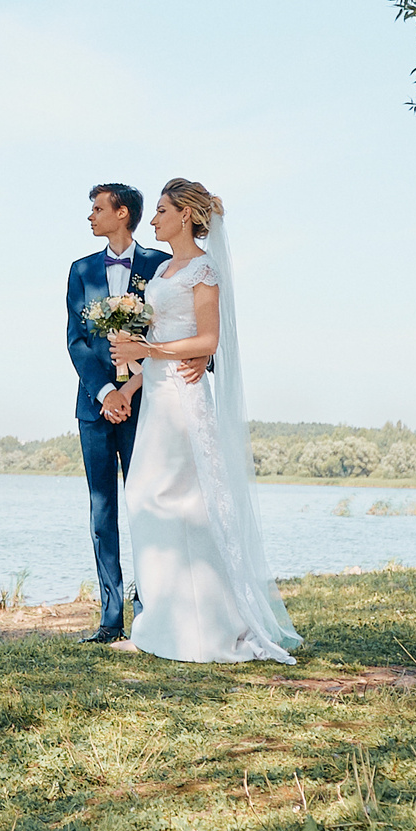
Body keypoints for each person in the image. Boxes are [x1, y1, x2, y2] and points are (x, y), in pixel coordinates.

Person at [104, 179, 301, 664]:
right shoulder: (165, 270)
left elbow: (207, 341)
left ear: (187, 215)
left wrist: (144, 349)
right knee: (148, 498)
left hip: (186, 400)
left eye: (162, 211)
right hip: (157, 399)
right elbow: (161, 347)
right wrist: (127, 389)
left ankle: (205, 625)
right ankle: (162, 623)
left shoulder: (203, 270)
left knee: (180, 501)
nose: (153, 220)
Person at [65, 183, 169, 643]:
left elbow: (168, 332)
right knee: (102, 511)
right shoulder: (80, 270)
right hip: (94, 408)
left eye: (97, 208)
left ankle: (150, 613)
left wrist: (128, 389)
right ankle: (110, 619)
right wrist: (107, 391)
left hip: (146, 405)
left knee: (146, 506)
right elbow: (76, 341)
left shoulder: (159, 267)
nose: (90, 216)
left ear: (121, 213)